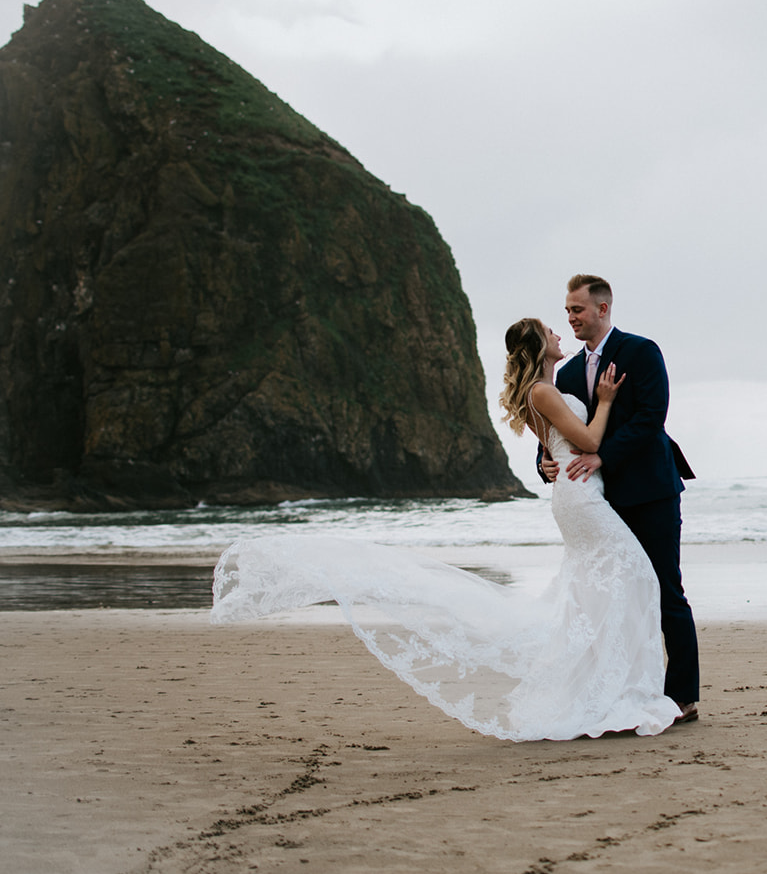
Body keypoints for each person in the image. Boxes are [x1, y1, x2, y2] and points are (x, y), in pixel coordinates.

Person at [208, 314, 684, 741]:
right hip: (582, 500)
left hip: (579, 497)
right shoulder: (543, 390)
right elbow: (586, 439)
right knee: (635, 577)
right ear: (540, 345)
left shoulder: (546, 388)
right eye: (551, 329)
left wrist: (548, 459)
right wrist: (603, 402)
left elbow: (552, 447)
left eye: (567, 318)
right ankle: (613, 688)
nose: (561, 330)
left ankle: (603, 684)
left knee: (598, 590)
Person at [538, 274, 699, 722]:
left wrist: (601, 457)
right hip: (600, 504)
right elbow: (555, 432)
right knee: (614, 599)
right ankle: (628, 690)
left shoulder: (641, 351)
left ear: (603, 309)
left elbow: (651, 417)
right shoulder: (567, 373)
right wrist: (545, 464)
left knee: (666, 591)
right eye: (567, 310)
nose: (570, 318)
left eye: (577, 310)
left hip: (650, 491)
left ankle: (683, 696)